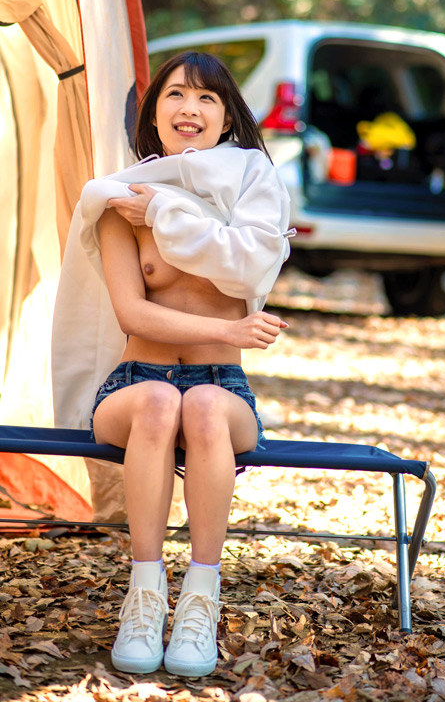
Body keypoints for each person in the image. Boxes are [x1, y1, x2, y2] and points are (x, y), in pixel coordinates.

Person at [74, 52, 292, 676]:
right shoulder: (119, 198)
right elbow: (134, 317)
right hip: (135, 384)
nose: (189, 109)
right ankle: (144, 595)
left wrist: (167, 215)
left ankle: (201, 595)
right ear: (153, 113)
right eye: (174, 94)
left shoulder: (255, 187)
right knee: (161, 399)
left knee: (195, 403)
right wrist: (229, 327)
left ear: (227, 119)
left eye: (207, 99)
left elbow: (248, 264)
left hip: (222, 389)